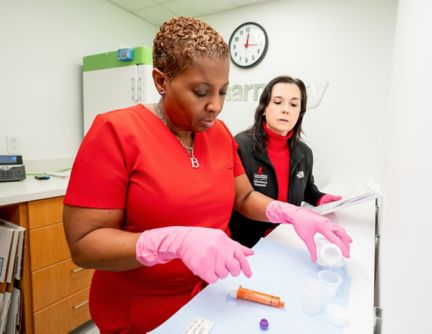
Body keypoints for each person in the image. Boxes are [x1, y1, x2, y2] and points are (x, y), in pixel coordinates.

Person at [63, 17, 352, 333]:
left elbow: (243, 196)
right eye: (201, 92)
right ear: (161, 81)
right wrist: (173, 241)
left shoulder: (219, 134)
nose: (215, 106)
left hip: (211, 294)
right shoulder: (116, 132)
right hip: (142, 308)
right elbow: (84, 246)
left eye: (223, 91)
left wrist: (290, 213)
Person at [229, 76, 344, 247]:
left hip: (286, 240)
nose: (286, 110)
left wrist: (321, 198)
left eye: (293, 104)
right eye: (277, 102)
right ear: (264, 108)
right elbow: (238, 200)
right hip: (248, 244)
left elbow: (307, 190)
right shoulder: (241, 145)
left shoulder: (304, 153)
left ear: (300, 112)